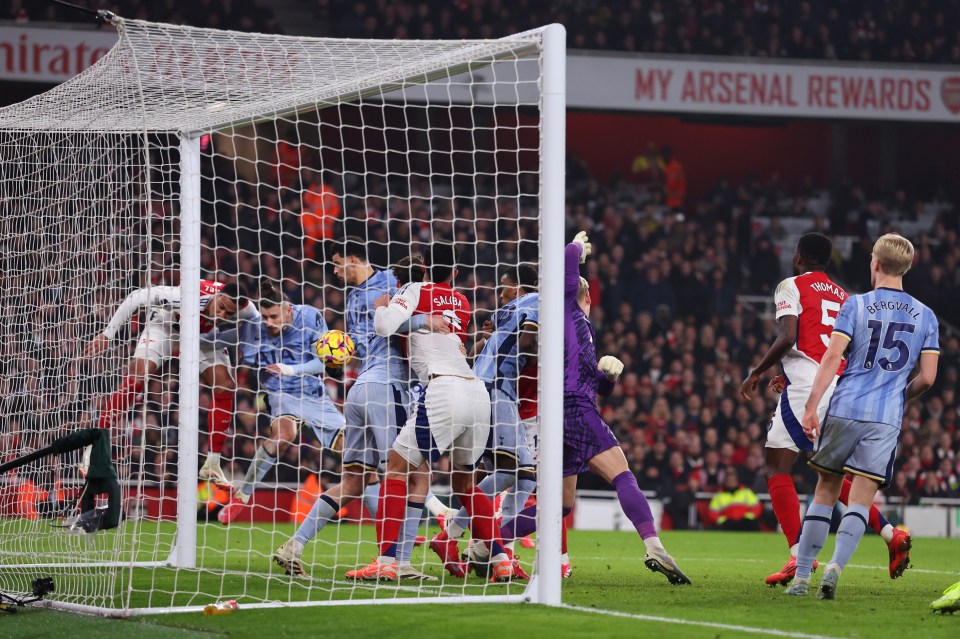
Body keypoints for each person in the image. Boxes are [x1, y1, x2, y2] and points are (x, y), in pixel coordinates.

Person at [498, 231, 691, 586]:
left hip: (564, 411)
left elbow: (601, 387)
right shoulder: (569, 307)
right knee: (622, 472)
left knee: (561, 505)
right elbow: (567, 265)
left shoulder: (582, 330)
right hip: (573, 407)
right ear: (586, 295)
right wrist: (574, 246)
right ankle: (654, 545)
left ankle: (490, 538)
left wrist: (610, 375)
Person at [739, 232, 910, 586]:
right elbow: (837, 347)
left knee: (776, 464)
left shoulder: (791, 285)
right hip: (840, 385)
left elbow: (789, 337)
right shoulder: (845, 296)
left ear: (799, 256)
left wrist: (758, 371)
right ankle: (891, 535)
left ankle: (796, 554)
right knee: (830, 475)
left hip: (809, 386)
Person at [273, 238, 446, 580]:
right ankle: (399, 560)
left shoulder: (377, 288)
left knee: (354, 481)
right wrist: (427, 321)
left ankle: (294, 545)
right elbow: (393, 328)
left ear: (355, 258)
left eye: (338, 264)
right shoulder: (391, 287)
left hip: (358, 394)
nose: (335, 272)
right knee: (415, 474)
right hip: (386, 389)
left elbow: (361, 343)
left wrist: (338, 362)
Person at [346, 242, 511, 582]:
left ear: (422, 267)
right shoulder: (463, 302)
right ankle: (500, 559)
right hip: (476, 392)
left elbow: (384, 327)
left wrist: (381, 307)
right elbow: (443, 333)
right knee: (465, 483)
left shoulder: (414, 288)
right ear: (456, 273)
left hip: (443, 388)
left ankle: (387, 561)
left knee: (394, 469)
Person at [786, 234, 939, 600]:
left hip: (846, 407)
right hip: (885, 418)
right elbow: (929, 378)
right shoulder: (928, 316)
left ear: (875, 263)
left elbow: (830, 357)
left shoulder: (856, 306)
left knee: (826, 490)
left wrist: (811, 406)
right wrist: (899, 395)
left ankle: (802, 576)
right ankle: (836, 569)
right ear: (907, 267)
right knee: (861, 500)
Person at [84, 280, 257, 488]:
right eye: (221, 308)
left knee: (226, 385)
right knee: (138, 376)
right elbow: (135, 297)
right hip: (166, 326)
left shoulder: (247, 310)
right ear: (218, 296)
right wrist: (107, 335)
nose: (223, 316)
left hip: (202, 336)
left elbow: (256, 330)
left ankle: (212, 463)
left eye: (229, 314)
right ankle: (93, 448)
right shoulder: (183, 295)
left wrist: (227, 343)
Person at [430, 264, 539, 579]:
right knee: (515, 471)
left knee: (522, 476)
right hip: (496, 392)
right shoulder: (534, 305)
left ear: (520, 287)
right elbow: (530, 341)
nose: (500, 291)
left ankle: (489, 548)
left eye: (504, 286)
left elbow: (486, 350)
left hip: (489, 389)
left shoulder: (512, 308)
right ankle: (478, 544)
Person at [213, 281, 346, 524]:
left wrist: (290, 369)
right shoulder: (252, 327)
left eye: (273, 316)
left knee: (355, 454)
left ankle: (389, 525)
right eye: (264, 316)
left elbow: (324, 362)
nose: (268, 322)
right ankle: (242, 496)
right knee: (285, 435)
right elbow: (218, 338)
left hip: (314, 393)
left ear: (288, 309)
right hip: (280, 394)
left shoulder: (309, 317)